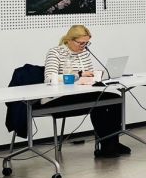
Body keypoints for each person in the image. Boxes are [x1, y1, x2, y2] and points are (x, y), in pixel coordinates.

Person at [43, 25, 129, 158]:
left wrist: (97, 76)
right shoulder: (56, 52)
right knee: (100, 102)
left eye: (86, 43)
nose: (84, 46)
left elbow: (87, 76)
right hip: (60, 97)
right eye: (81, 43)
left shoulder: (84, 53)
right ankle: (108, 146)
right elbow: (49, 78)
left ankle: (112, 142)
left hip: (82, 92)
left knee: (115, 99)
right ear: (69, 40)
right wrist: (78, 74)